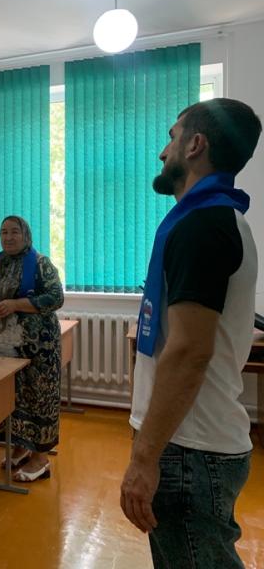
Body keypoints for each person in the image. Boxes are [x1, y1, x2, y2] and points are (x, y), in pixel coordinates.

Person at [121, 98, 261, 568]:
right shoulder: (218, 219)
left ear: (196, 144)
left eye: (172, 137)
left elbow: (189, 351)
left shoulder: (203, 225)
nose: (163, 152)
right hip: (192, 442)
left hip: (189, 448)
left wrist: (144, 458)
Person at [0, 216, 64, 482]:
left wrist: (16, 305)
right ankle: (21, 446)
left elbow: (56, 297)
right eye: (3, 232)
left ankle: (41, 459)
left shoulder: (40, 263)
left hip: (39, 348)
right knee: (12, 397)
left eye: (14, 232)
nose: (8, 237)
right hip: (5, 345)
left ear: (26, 235)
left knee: (37, 398)